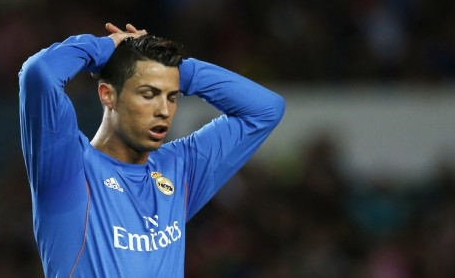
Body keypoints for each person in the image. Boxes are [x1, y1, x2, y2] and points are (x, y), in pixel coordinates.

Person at [18, 22, 285, 277]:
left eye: (171, 96)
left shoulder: (181, 168)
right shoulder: (69, 170)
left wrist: (180, 71)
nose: (164, 110)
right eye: (148, 94)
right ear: (107, 95)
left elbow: (265, 110)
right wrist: (104, 50)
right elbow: (39, 73)